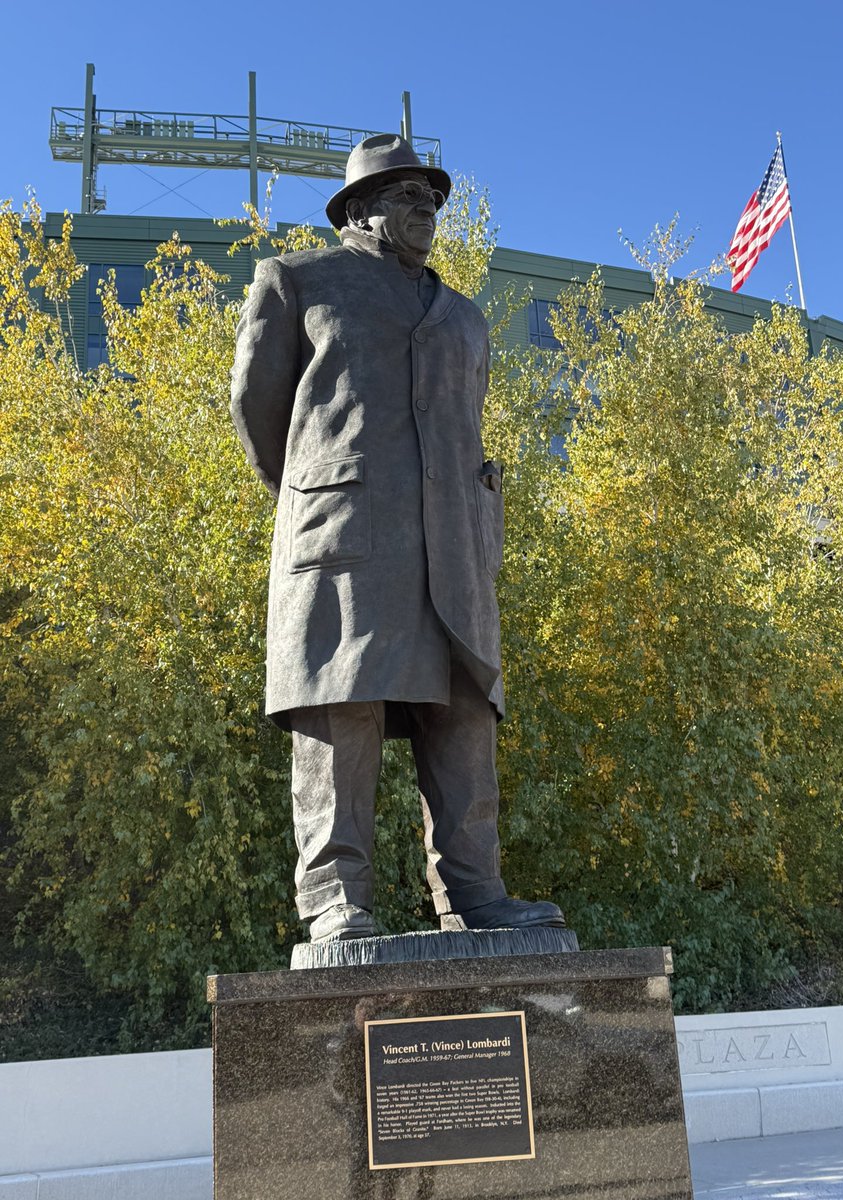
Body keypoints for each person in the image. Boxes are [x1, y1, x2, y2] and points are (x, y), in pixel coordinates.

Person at [231, 134, 564, 942]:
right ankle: (335, 898)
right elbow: (255, 407)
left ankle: (475, 894)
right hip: (345, 536)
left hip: (454, 546)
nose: (428, 211)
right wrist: (324, 491)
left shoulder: (467, 318)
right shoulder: (299, 281)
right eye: (409, 196)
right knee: (340, 705)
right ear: (361, 210)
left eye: (434, 199)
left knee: (463, 713)